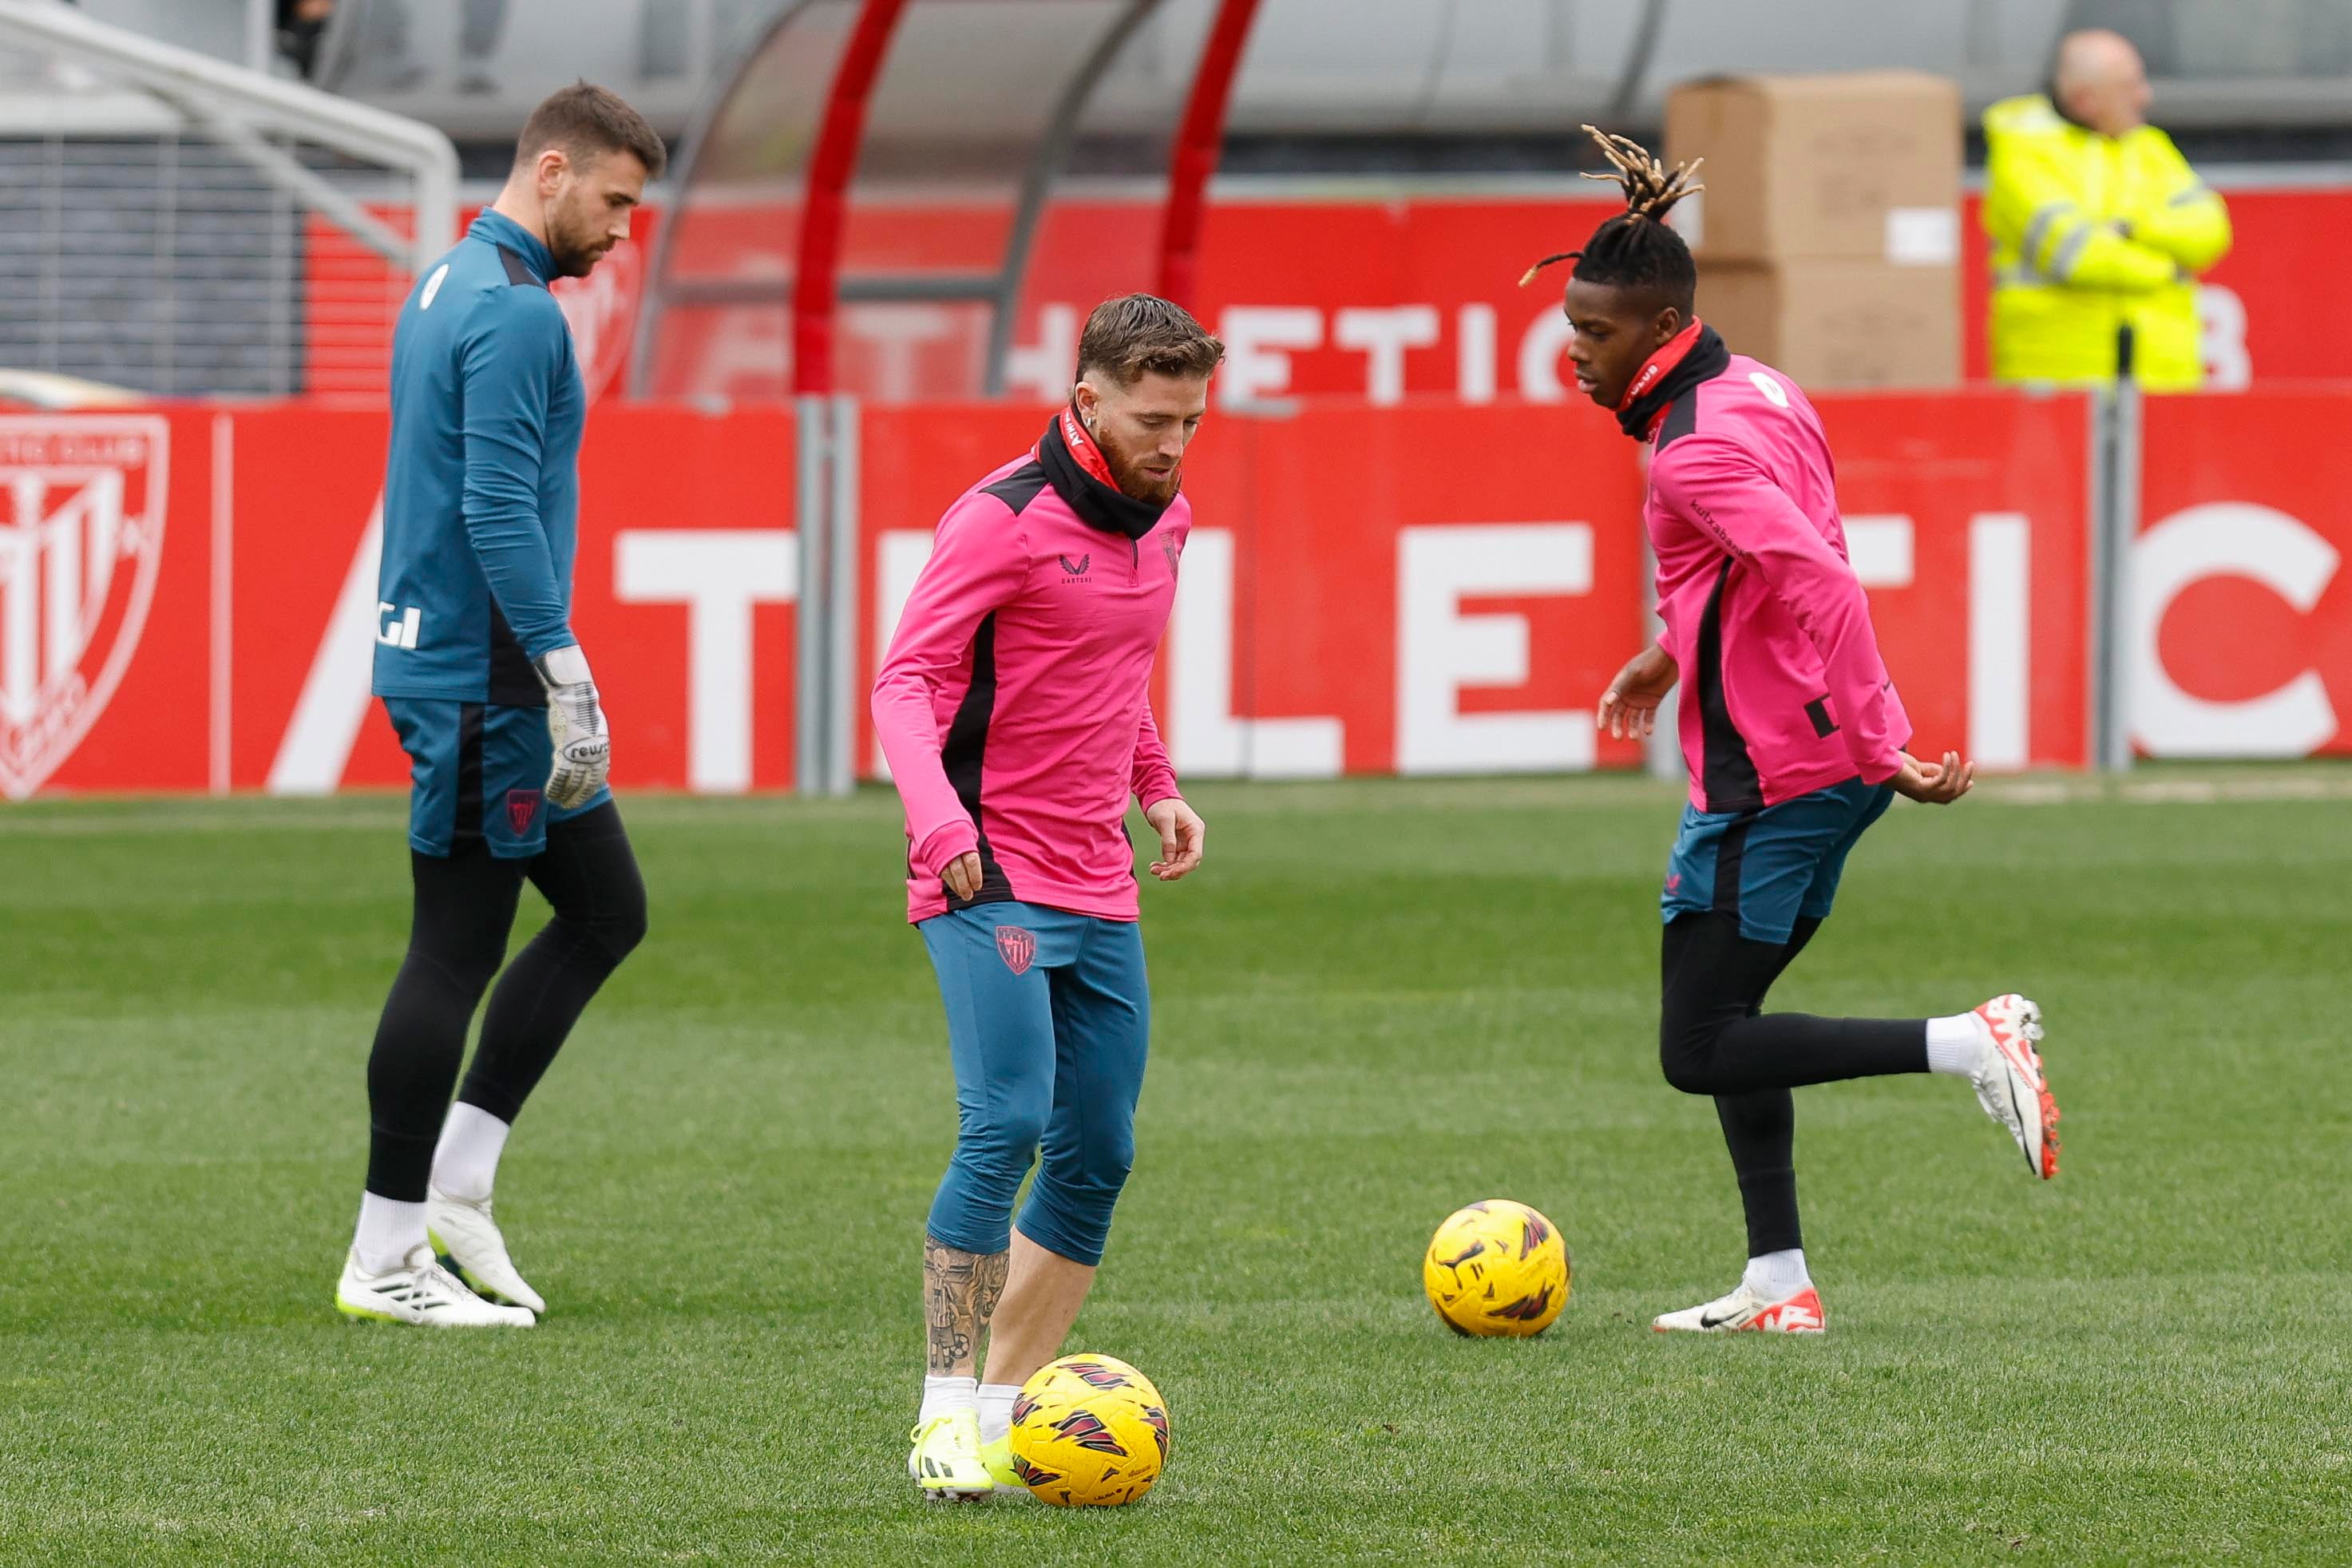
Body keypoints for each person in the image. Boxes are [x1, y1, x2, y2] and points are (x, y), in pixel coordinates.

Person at [1527, 128, 2061, 1336]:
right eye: (1571, 326)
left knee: (1699, 1042)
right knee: (1735, 1019)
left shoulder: (1691, 449)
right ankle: (1779, 1282)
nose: (1573, 352)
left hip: (1779, 769)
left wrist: (1883, 747)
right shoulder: (1754, 384)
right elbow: (1769, 561)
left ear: (1659, 330)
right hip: (1812, 758)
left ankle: (1969, 1043)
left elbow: (1817, 577)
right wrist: (1675, 649)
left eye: (1594, 334)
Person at [334, 83, 666, 1328]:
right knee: (454, 948)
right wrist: (564, 668)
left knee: (604, 909)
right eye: (615, 201)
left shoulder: (443, 285)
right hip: (487, 679)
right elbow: (494, 511)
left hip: (454, 661)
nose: (622, 229)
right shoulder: (522, 315)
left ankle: (456, 1191)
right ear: (551, 170)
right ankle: (385, 1256)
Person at [873, 295, 1217, 1498]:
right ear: (1086, 399)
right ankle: (936, 1417)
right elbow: (904, 684)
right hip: (991, 872)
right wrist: (938, 820)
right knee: (1005, 1123)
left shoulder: (1169, 524)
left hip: (1098, 877)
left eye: (1189, 419)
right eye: (1151, 417)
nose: (1171, 444)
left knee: (1098, 1151)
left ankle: (1006, 1409)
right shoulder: (999, 519)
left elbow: (1114, 676)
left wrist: (1156, 785)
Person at [1984, 28, 2231, 390]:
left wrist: (2132, 228)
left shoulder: (2149, 147)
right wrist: (2165, 266)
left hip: (2162, 378)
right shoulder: (2023, 154)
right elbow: (2077, 255)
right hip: (2058, 383)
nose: (2144, 97)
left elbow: (2210, 230)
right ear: (2085, 100)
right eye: (2128, 87)